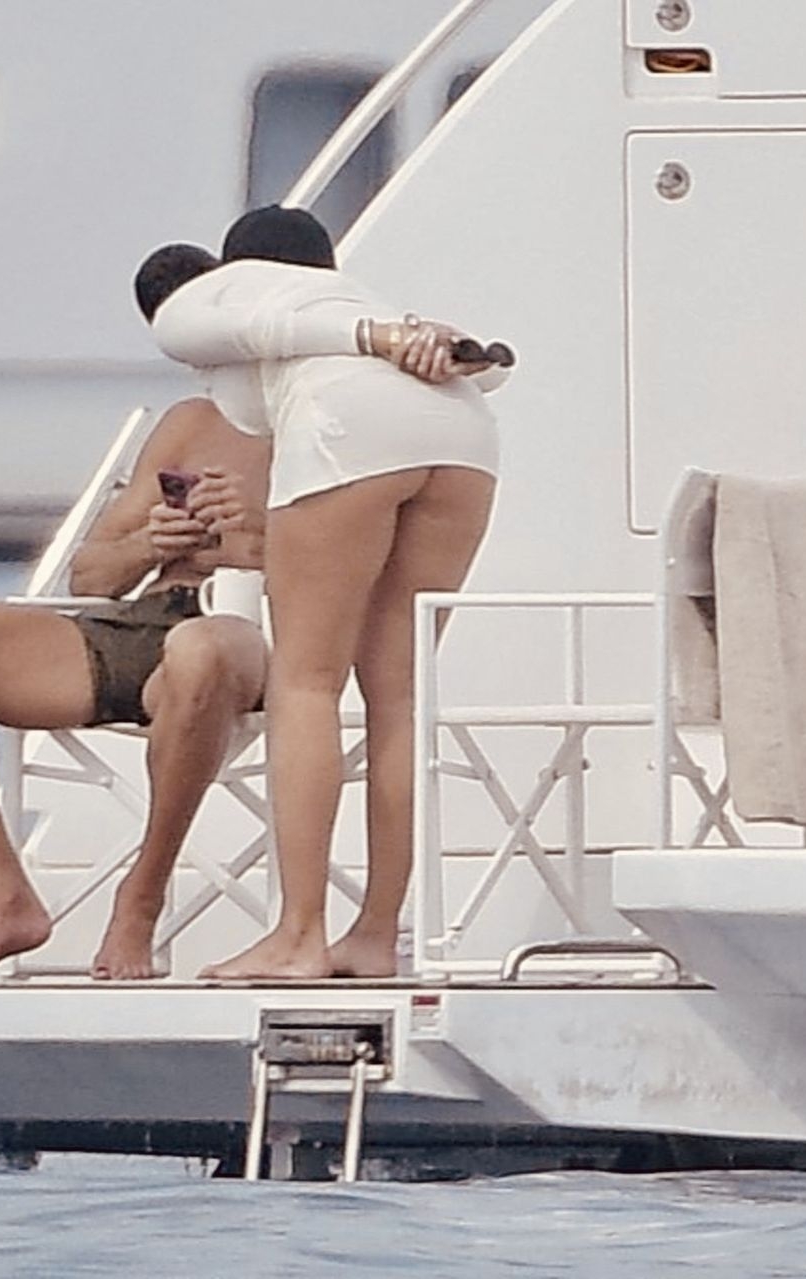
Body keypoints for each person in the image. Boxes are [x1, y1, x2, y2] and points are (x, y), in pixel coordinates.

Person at [0, 261, 270, 980]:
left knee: (199, 650)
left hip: (268, 634)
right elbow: (91, 577)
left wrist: (249, 534)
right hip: (154, 619)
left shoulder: (338, 426)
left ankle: (140, 901)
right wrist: (155, 542)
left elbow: (359, 573)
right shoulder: (193, 422)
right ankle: (6, 897)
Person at [148, 205, 504, 980]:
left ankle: (299, 934)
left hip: (351, 425)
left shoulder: (220, 295)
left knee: (307, 681)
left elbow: (190, 329)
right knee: (399, 696)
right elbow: (494, 372)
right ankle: (375, 935)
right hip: (464, 433)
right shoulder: (363, 303)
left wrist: (372, 341)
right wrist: (392, 337)